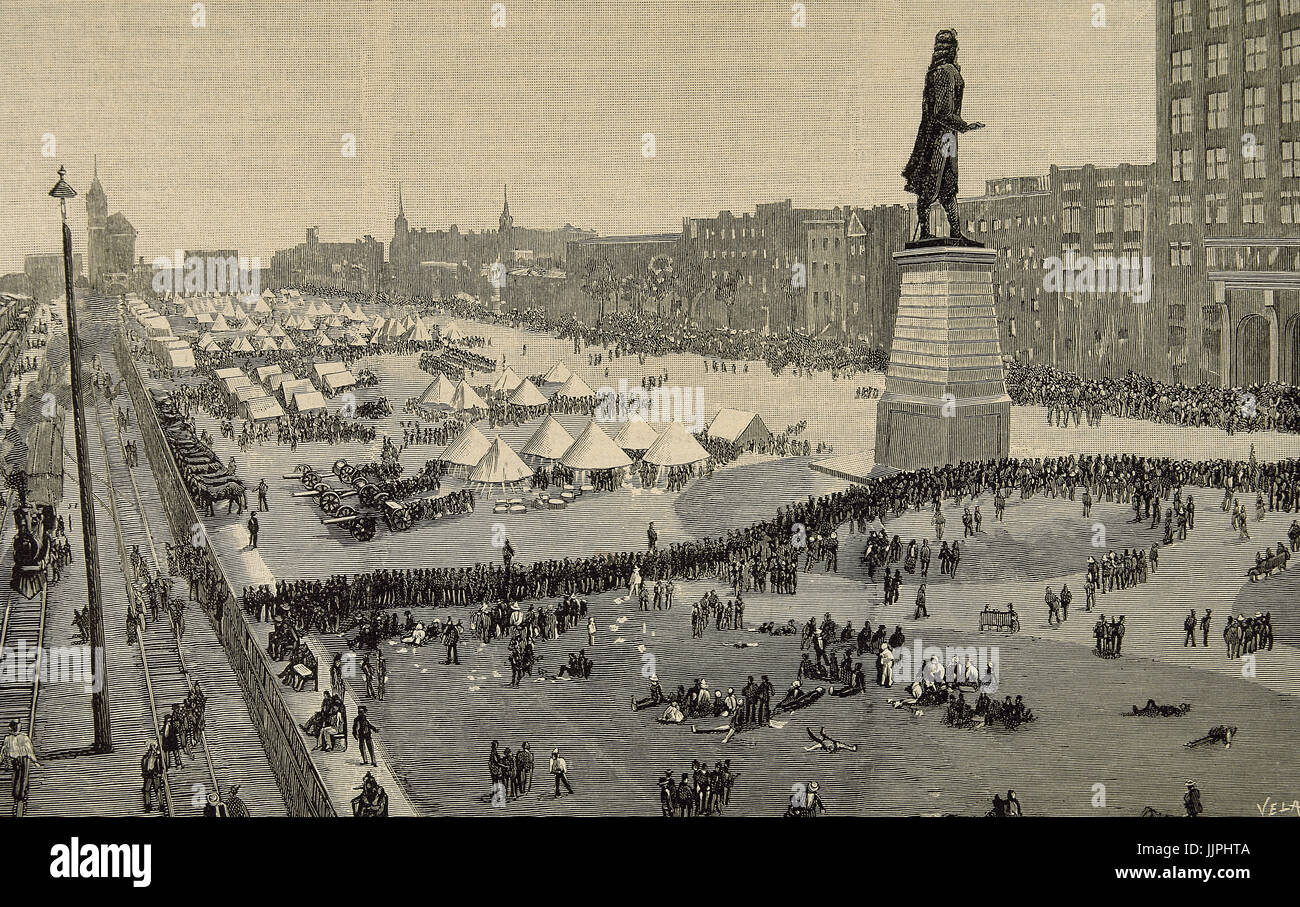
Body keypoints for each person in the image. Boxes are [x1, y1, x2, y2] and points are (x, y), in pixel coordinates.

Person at [3, 720, 38, 817]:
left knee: (16, 775)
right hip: (23, 759)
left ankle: (15, 792)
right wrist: (34, 761)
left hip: (14, 759)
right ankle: (21, 794)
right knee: (24, 776)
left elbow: (4, 750)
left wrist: (2, 760)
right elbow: (29, 750)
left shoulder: (7, 738)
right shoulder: (24, 737)